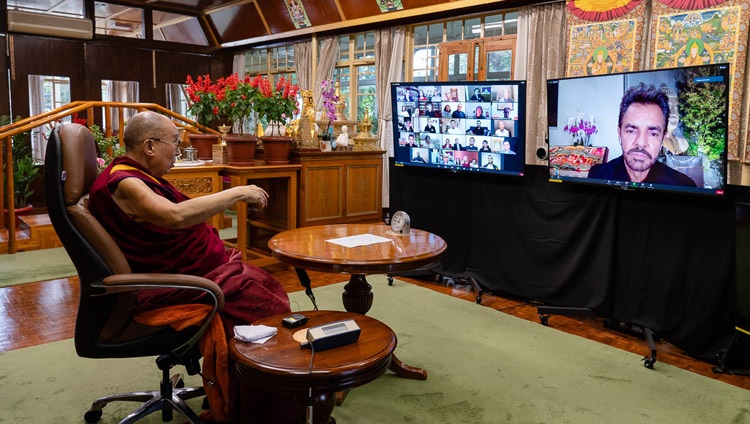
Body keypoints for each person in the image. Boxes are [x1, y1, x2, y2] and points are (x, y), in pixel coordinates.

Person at [88, 111, 291, 422]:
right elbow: (175, 217)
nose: (178, 152)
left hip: (193, 270)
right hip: (176, 283)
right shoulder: (125, 182)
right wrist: (236, 193)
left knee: (262, 286)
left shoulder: (130, 172)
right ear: (150, 146)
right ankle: (255, 403)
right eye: (175, 144)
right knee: (263, 304)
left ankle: (273, 385)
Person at [588, 83, 696, 186]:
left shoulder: (682, 185)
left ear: (663, 138)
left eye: (653, 134)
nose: (640, 143)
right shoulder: (598, 176)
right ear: (619, 133)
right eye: (631, 131)